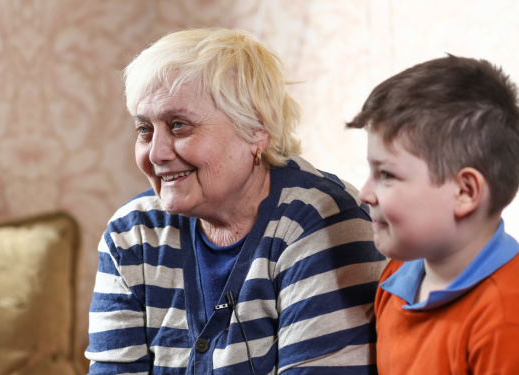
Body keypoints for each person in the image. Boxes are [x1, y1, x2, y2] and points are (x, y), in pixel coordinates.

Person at [86, 28, 386, 375]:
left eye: (179, 125)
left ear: (256, 127)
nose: (156, 153)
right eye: (144, 130)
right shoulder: (133, 233)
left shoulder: (320, 222)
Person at [347, 55, 519, 374]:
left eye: (387, 174)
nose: (365, 193)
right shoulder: (396, 277)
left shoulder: (506, 319)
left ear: (465, 192)